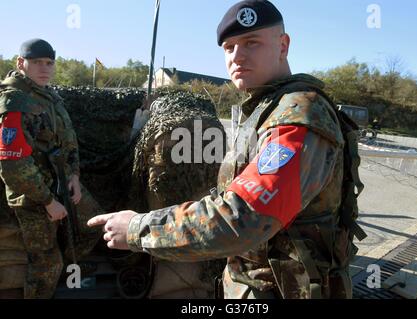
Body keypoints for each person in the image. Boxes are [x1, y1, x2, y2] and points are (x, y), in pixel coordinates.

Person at [88, 0, 366, 299]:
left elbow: (243, 218)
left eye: (252, 43)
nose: (237, 56)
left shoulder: (299, 115)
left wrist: (137, 229)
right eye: (228, 47)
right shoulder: (267, 108)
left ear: (283, 45)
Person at [0, 39, 102, 299]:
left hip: (63, 183)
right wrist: (48, 201)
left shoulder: (49, 95)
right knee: (46, 264)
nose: (44, 68)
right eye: (36, 63)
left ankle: (71, 266)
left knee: (95, 223)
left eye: (49, 63)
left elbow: (69, 140)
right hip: (33, 196)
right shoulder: (14, 101)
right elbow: (13, 164)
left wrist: (75, 176)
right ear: (21, 63)